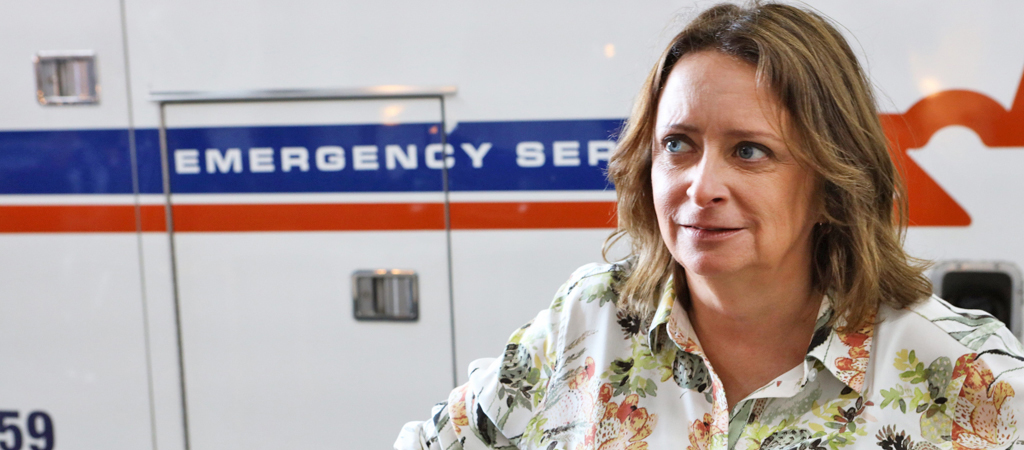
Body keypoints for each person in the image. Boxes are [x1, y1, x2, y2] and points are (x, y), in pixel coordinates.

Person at [396, 2, 1024, 449]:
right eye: (678, 144)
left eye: (749, 151)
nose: (700, 187)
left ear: (832, 180)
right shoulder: (588, 319)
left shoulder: (969, 373)